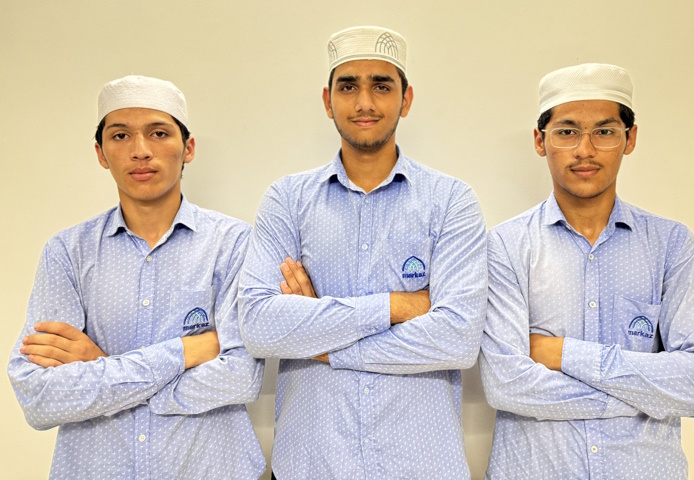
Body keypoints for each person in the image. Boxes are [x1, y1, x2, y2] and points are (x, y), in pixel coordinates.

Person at [239, 26, 487, 479]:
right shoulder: (287, 200)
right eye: (348, 86)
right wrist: (397, 306)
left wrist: (319, 336)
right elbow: (258, 325)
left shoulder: (451, 201)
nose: (365, 102)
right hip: (313, 464)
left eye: (382, 86)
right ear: (327, 100)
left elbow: (457, 338)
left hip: (421, 464)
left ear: (406, 99)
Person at [479, 63, 694, 479]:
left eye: (605, 131)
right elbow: (507, 384)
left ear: (630, 138)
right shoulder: (505, 247)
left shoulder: (671, 246)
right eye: (567, 132)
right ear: (540, 141)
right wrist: (645, 394)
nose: (585, 149)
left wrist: (563, 353)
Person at [8, 75, 265, 479]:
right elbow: (40, 398)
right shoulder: (68, 252)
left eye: (158, 133)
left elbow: (241, 378)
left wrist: (103, 367)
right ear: (101, 153)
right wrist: (186, 351)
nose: (140, 150)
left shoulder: (234, 244)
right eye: (120, 135)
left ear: (188, 148)